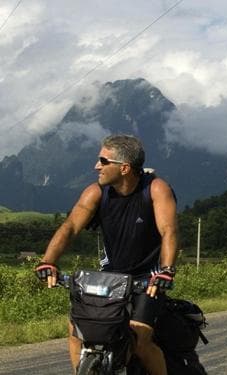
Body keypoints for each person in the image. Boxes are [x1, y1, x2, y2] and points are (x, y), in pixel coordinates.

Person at [35, 134, 177, 375]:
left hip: (148, 277)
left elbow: (168, 231)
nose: (96, 166)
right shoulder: (96, 193)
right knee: (76, 331)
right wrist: (48, 261)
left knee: (140, 340)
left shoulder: (155, 189)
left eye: (103, 160)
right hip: (110, 277)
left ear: (124, 168)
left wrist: (166, 271)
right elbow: (70, 228)